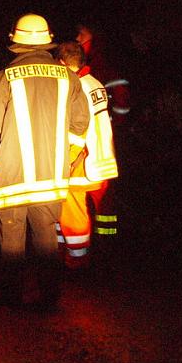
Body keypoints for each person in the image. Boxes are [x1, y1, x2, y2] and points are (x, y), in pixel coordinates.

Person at [0, 13, 89, 310]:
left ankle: (10, 294)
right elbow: (80, 125)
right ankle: (49, 297)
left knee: (11, 235)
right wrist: (66, 156)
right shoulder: (70, 78)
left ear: (15, 41)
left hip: (12, 176)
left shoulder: (3, 78)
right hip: (52, 177)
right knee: (46, 235)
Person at [54, 41, 119, 270]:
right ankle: (103, 254)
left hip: (82, 160)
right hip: (102, 158)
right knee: (103, 214)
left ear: (61, 63)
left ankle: (76, 260)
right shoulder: (94, 83)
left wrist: (68, 160)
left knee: (72, 212)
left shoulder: (75, 87)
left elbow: (76, 129)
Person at [75, 22, 125, 242]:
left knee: (103, 196)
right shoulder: (95, 64)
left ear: (93, 37)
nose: (78, 38)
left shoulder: (101, 67)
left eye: (81, 34)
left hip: (103, 141)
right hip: (96, 141)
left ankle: (104, 242)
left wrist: (109, 124)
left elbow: (121, 101)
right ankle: (103, 243)